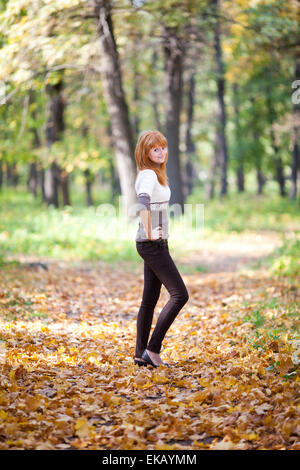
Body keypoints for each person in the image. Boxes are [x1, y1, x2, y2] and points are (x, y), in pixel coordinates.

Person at [134, 130, 189, 368]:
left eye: (163, 147)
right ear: (145, 153)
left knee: (150, 299)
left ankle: (139, 354)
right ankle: (152, 350)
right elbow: (142, 203)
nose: (161, 152)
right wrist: (149, 230)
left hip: (153, 243)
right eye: (155, 149)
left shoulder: (156, 174)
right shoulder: (147, 174)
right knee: (179, 295)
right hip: (152, 244)